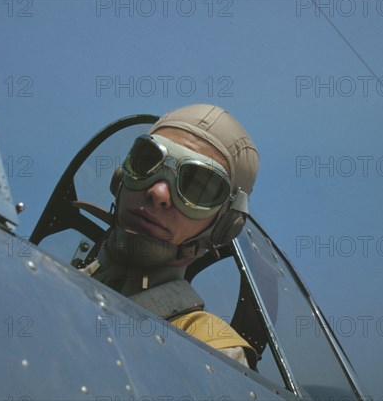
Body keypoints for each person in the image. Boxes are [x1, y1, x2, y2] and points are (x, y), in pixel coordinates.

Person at [83, 104, 260, 367]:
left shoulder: (214, 354)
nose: (158, 193)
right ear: (120, 177)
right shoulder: (49, 278)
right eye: (147, 161)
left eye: (196, 187)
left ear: (225, 225)